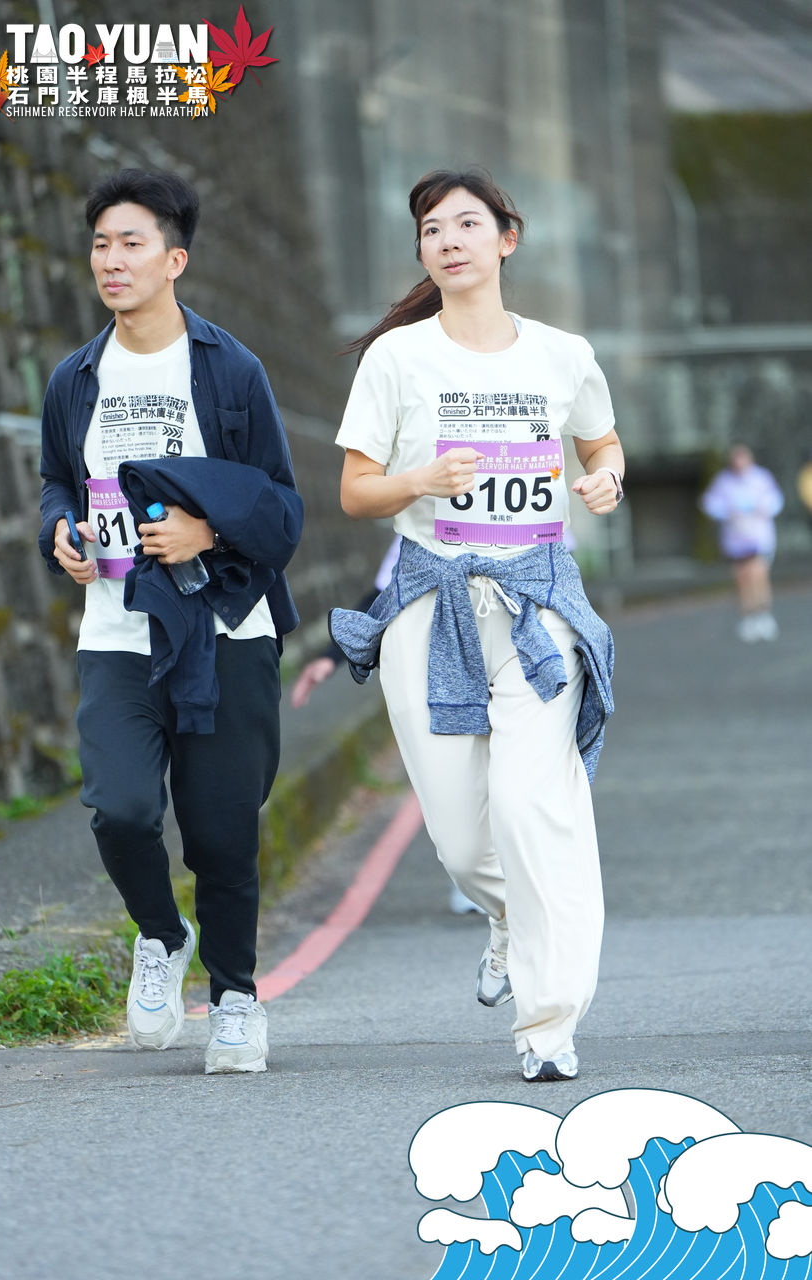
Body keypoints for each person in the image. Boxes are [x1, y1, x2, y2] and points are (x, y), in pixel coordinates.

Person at [328, 168, 623, 1084]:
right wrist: (419, 481)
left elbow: (599, 440)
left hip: (538, 604)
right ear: (421, 250)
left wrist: (605, 478)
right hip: (432, 608)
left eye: (466, 223)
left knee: (537, 813)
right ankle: (504, 918)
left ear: (506, 238)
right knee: (462, 842)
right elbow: (355, 491)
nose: (448, 240)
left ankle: (547, 1025)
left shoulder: (561, 354)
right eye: (431, 228)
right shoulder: (397, 359)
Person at [38, 169, 302, 1074]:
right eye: (101, 244)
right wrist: (60, 534)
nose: (111, 261)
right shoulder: (75, 378)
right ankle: (160, 934)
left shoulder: (230, 372)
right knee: (119, 810)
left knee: (222, 833)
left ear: (173, 260)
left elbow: (281, 507)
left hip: (224, 631)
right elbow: (58, 483)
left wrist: (207, 532)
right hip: (115, 631)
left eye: (131, 243)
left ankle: (235, 1000)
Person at [291, 533, 483, 915]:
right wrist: (331, 657)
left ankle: (512, 878)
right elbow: (383, 595)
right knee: (462, 773)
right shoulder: (421, 523)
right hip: (448, 668)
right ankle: (476, 876)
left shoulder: (530, 504)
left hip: (513, 659)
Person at [701, 444, 783, 642]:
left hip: (759, 538)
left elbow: (775, 500)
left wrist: (762, 508)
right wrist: (727, 511)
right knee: (743, 580)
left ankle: (763, 614)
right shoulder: (724, 481)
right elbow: (710, 503)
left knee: (759, 576)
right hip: (736, 540)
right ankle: (749, 616)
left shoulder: (761, 477)